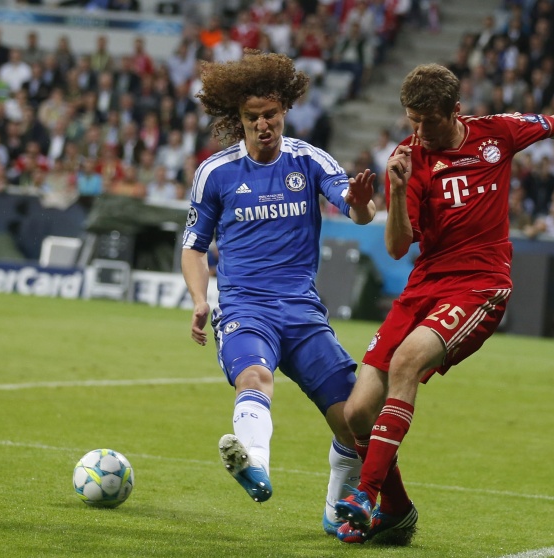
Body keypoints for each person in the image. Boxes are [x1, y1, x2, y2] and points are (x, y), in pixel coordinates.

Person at [333, 63, 554, 545]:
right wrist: (395, 189)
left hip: (480, 285)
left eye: (429, 121)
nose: (420, 131)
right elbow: (396, 247)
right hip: (424, 287)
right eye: (413, 120)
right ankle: (396, 510)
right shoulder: (407, 159)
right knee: (356, 413)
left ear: (455, 111)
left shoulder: (495, 133)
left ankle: (365, 495)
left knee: (407, 362)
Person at [180, 51, 377, 535]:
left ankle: (336, 509)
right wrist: (200, 299)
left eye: (270, 114)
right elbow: (194, 248)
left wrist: (360, 203)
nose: (263, 124)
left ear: (285, 109)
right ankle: (255, 464)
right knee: (254, 377)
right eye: (252, 117)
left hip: (302, 313)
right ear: (238, 118)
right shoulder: (215, 172)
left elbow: (357, 211)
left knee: (353, 420)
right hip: (246, 309)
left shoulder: (310, 160)